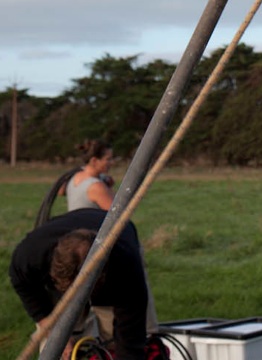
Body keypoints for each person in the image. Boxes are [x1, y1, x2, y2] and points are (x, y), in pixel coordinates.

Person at [9, 208, 155, 360]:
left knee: (115, 341)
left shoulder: (126, 268)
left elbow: (130, 334)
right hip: (71, 236)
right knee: (56, 343)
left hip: (117, 255)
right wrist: (49, 326)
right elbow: (23, 285)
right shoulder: (31, 255)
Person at [64, 139, 116, 211]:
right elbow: (116, 214)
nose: (112, 162)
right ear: (94, 161)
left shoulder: (74, 177)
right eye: (108, 159)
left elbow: (61, 191)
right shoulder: (96, 186)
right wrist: (108, 189)